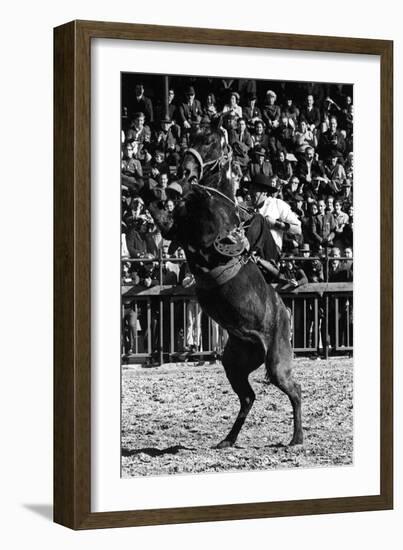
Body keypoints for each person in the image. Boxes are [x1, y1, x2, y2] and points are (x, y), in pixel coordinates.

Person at [245, 174, 302, 283]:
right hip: (251, 250)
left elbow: (298, 229)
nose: (250, 193)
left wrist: (276, 224)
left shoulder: (277, 204)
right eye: (250, 189)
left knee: (258, 218)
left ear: (264, 192)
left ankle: (248, 252)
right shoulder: (246, 207)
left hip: (271, 252)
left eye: (254, 190)